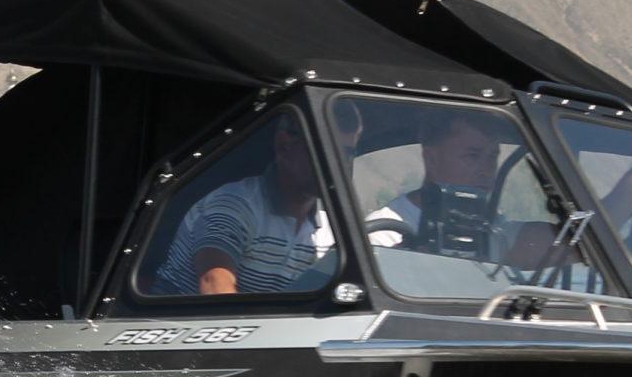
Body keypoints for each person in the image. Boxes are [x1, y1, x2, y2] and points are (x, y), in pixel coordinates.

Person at [154, 112, 338, 296]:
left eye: (346, 153)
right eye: (325, 152)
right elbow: (213, 284)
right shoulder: (235, 205)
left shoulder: (333, 228)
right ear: (284, 146)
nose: (337, 164)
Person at [363, 107, 558, 269]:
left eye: (492, 157)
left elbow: (544, 242)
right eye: (472, 156)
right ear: (432, 159)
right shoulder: (382, 234)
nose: (486, 170)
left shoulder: (494, 228)